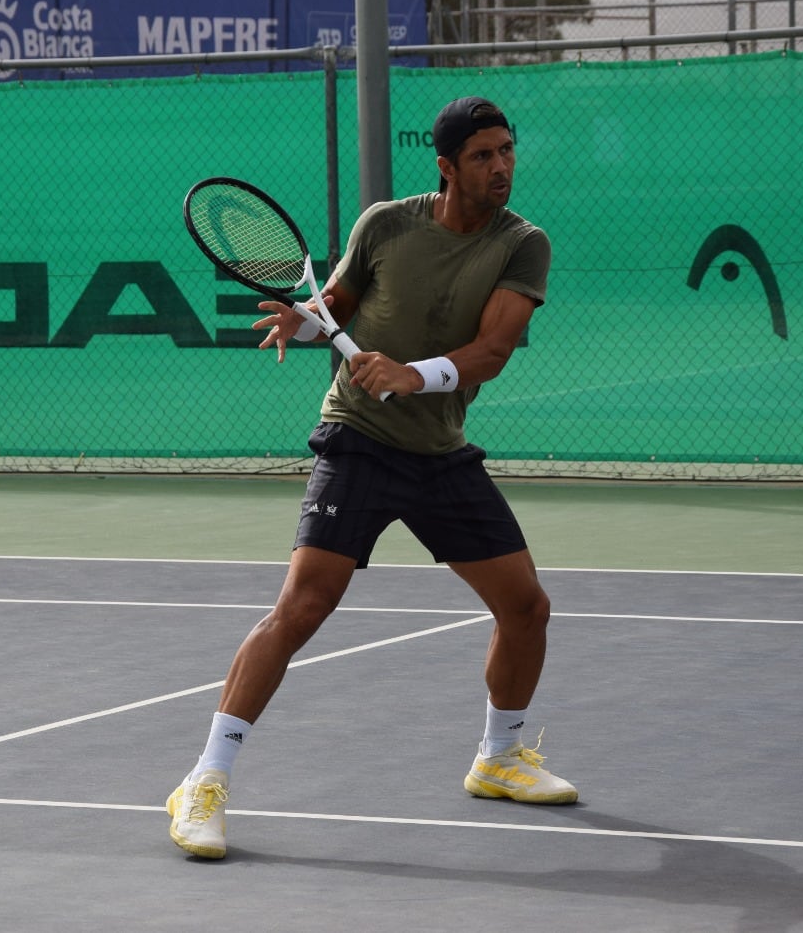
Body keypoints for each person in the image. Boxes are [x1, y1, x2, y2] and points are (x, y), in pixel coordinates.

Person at [166, 96, 577, 860]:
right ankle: (203, 783)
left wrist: (413, 375)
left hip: (438, 447)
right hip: (358, 438)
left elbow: (492, 352)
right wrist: (307, 318)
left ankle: (499, 758)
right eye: (483, 156)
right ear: (447, 166)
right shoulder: (386, 224)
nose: (501, 168)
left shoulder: (525, 244)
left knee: (526, 607)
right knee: (304, 604)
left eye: (508, 152)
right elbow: (339, 307)